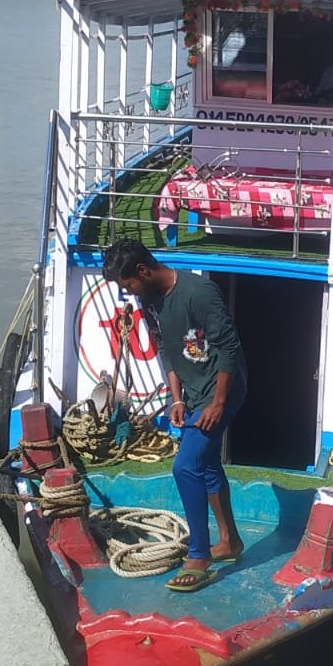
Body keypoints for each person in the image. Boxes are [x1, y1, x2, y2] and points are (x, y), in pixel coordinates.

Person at [101, 239, 248, 593]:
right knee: (207, 464)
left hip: (223, 390)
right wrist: (176, 399)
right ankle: (230, 541)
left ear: (142, 270)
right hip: (193, 393)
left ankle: (199, 555)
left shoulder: (199, 292)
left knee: (185, 466)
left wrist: (216, 404)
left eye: (127, 285)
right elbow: (166, 348)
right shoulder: (147, 298)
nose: (128, 292)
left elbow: (229, 348)